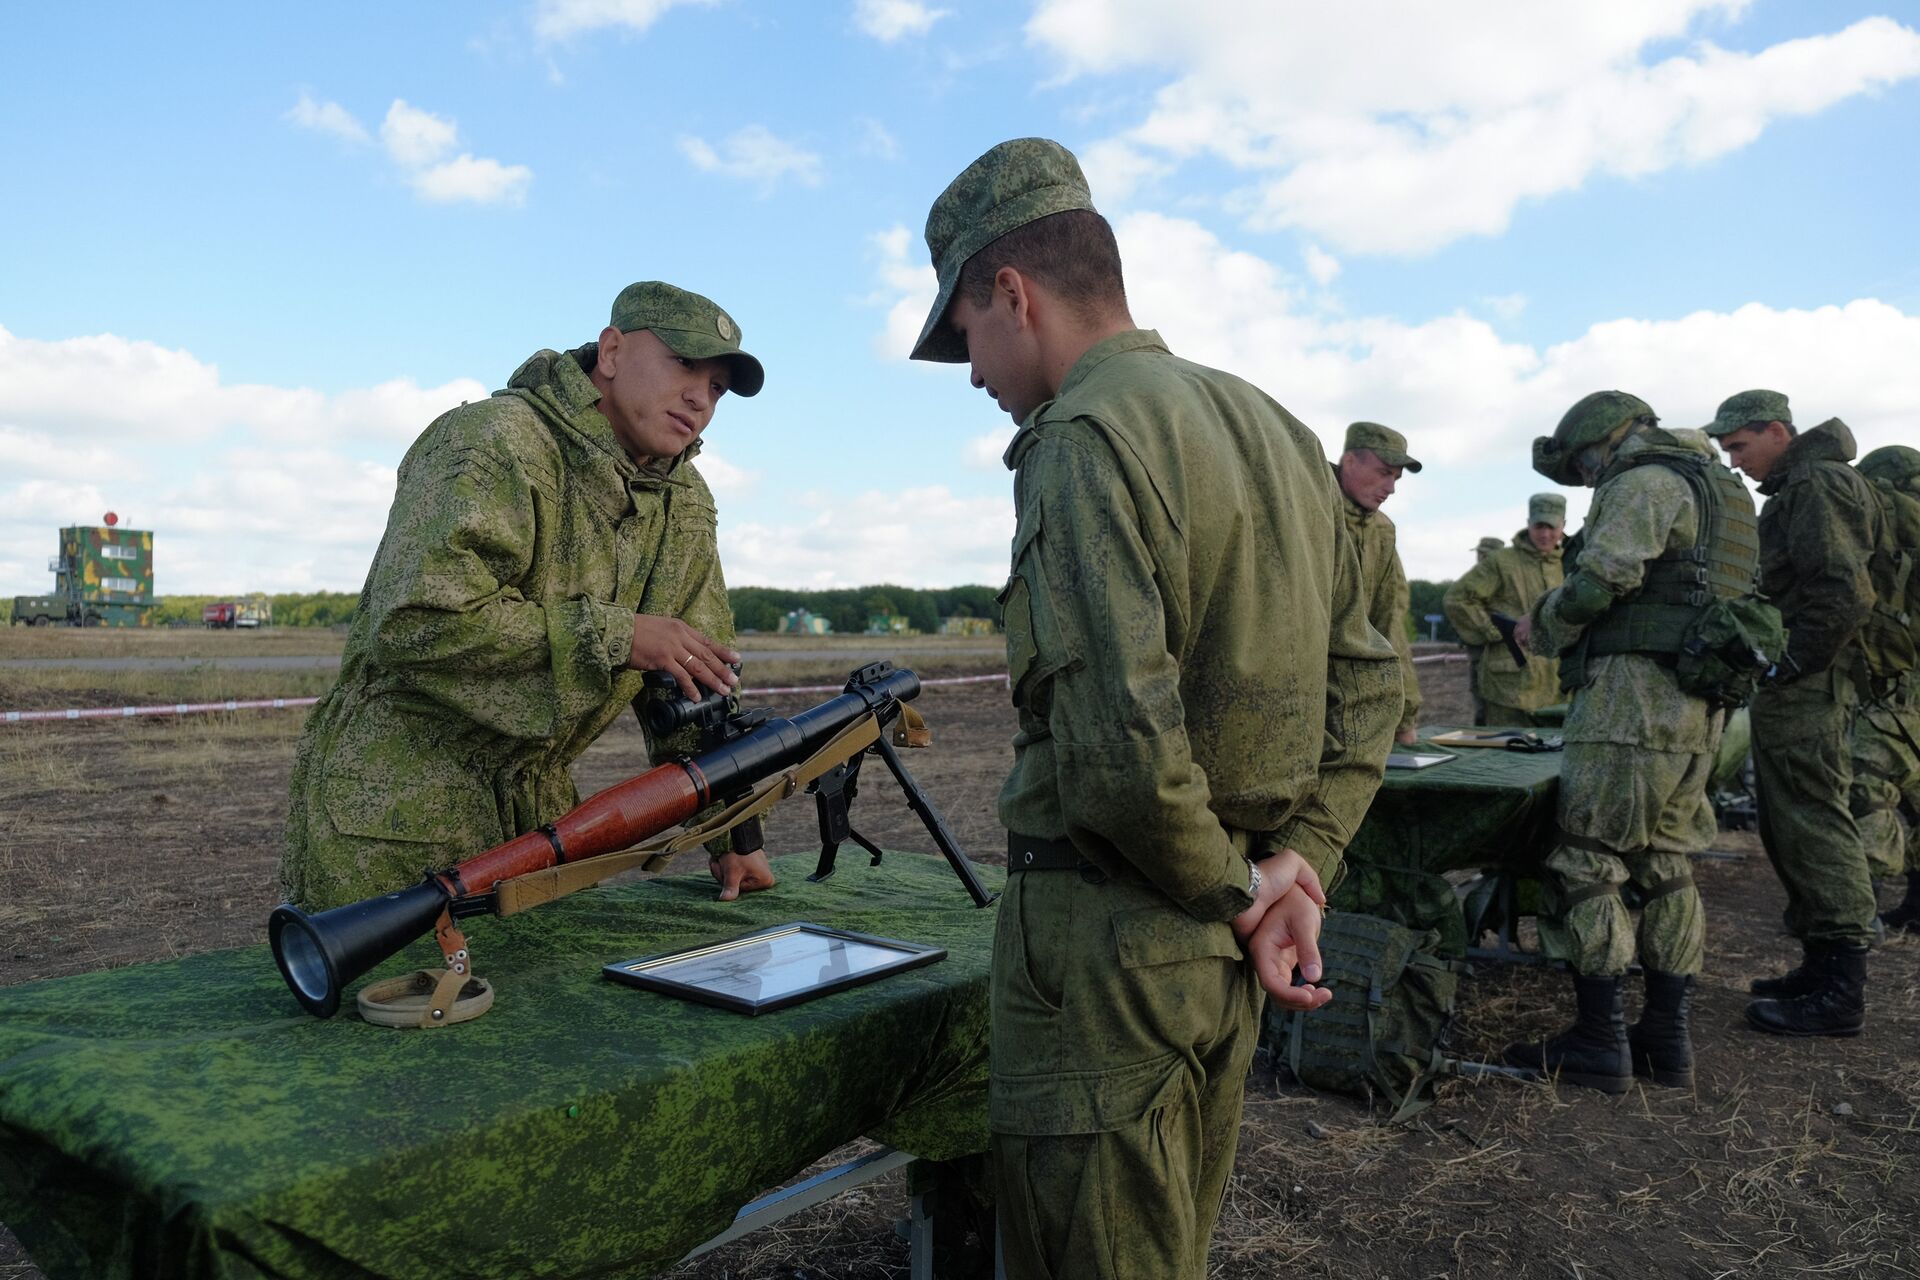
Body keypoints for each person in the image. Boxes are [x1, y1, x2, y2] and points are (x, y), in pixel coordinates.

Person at [910, 138, 1399, 1279]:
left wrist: (1243, 894)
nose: (974, 374)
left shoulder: (1085, 436)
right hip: (1222, 942)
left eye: (967, 337)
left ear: (1013, 294)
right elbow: (1372, 684)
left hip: (1107, 947)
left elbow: (1119, 746)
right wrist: (1297, 868)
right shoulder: (1276, 429)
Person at [282, 282, 778, 911]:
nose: (699, 399)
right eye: (684, 364)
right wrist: (620, 635)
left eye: (717, 388)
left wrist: (732, 833)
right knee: (396, 1004)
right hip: (394, 815)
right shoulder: (491, 442)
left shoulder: (685, 503)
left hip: (539, 827)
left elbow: (695, 679)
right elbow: (417, 622)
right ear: (612, 351)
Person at [1504, 393, 1754, 1091]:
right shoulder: (1722, 492)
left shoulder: (1645, 480)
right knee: (1668, 863)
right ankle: (1666, 1039)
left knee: (1588, 859)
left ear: (1600, 444)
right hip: (1699, 707)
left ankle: (1599, 1039)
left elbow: (1607, 574)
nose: (1587, 480)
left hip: (1631, 706)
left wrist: (1543, 626)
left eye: (1586, 468)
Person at [1707, 391, 1882, 1035]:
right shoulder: (1803, 486)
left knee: (1813, 821)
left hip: (1810, 681)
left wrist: (1791, 664)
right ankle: (1820, 964)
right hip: (1805, 679)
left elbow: (1843, 591)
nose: (1735, 463)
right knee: (1790, 822)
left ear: (1778, 431)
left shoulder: (1816, 485)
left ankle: (1841, 989)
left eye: (1739, 447)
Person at [1851, 445, 1920, 931]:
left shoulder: (1888, 520)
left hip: (1897, 680)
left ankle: (1863, 911)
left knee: (1870, 786)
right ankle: (1916, 906)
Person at [1444, 494, 1566, 727]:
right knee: (1503, 759)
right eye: (1539, 526)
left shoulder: (1571, 564)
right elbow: (1457, 599)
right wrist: (1494, 631)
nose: (1545, 534)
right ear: (1528, 522)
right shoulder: (1502, 562)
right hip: (1508, 689)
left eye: (1552, 527)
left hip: (1557, 688)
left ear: (1563, 526)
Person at [1336, 422, 1424, 744]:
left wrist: (1406, 714)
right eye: (1383, 472)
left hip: (1357, 704)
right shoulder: (1309, 513)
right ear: (1349, 461)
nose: (1391, 488)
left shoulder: (1383, 531)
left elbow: (1390, 625)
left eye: (1396, 478)